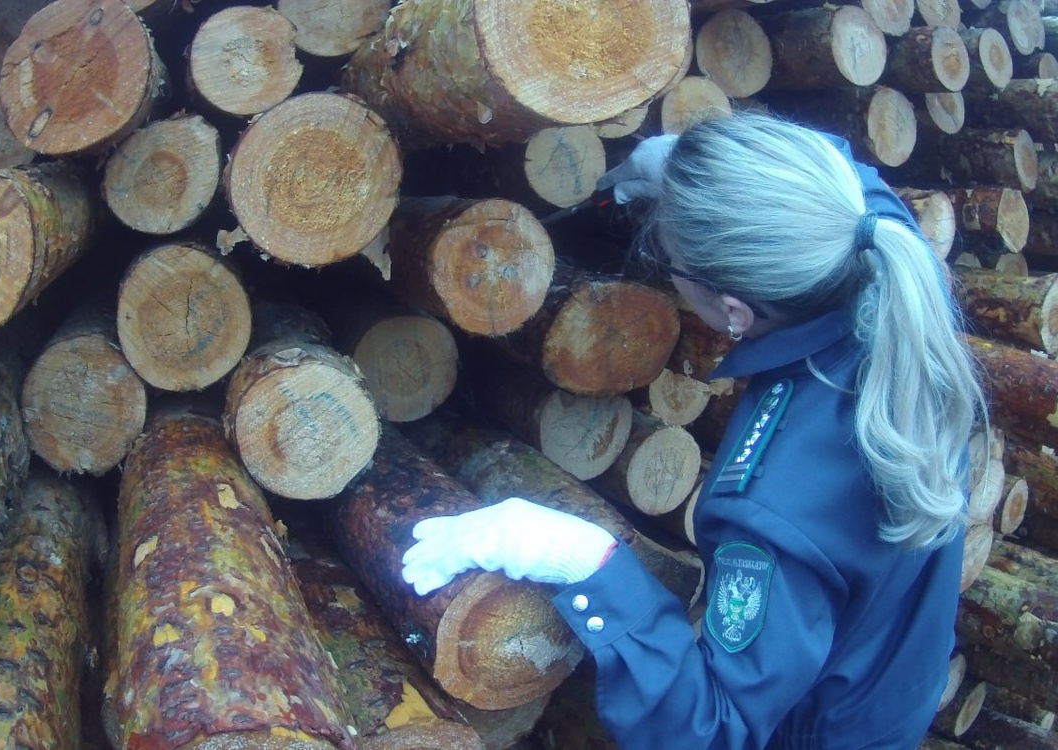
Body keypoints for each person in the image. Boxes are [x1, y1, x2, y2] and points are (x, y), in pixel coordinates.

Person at [399, 112, 987, 749]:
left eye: (669, 256)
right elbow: (851, 180)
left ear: (735, 312)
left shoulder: (773, 505)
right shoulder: (877, 252)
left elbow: (709, 730)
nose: (663, 255)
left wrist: (587, 564)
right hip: (892, 671)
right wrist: (692, 164)